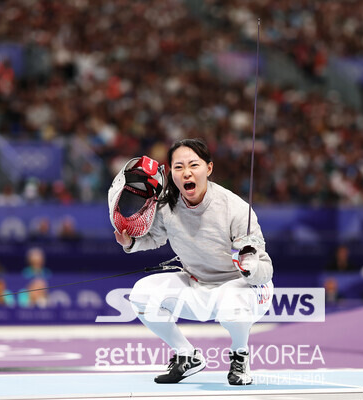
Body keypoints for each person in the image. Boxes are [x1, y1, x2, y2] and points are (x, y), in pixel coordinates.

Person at [114, 139, 273, 385]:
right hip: (199, 285)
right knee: (141, 294)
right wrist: (130, 243)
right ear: (171, 173)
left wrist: (251, 269)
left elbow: (265, 269)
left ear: (208, 168)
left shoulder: (236, 209)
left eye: (193, 165)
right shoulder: (167, 207)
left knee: (233, 302)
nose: (186, 172)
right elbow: (154, 237)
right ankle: (187, 355)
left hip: (244, 289)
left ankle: (240, 356)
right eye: (178, 167)